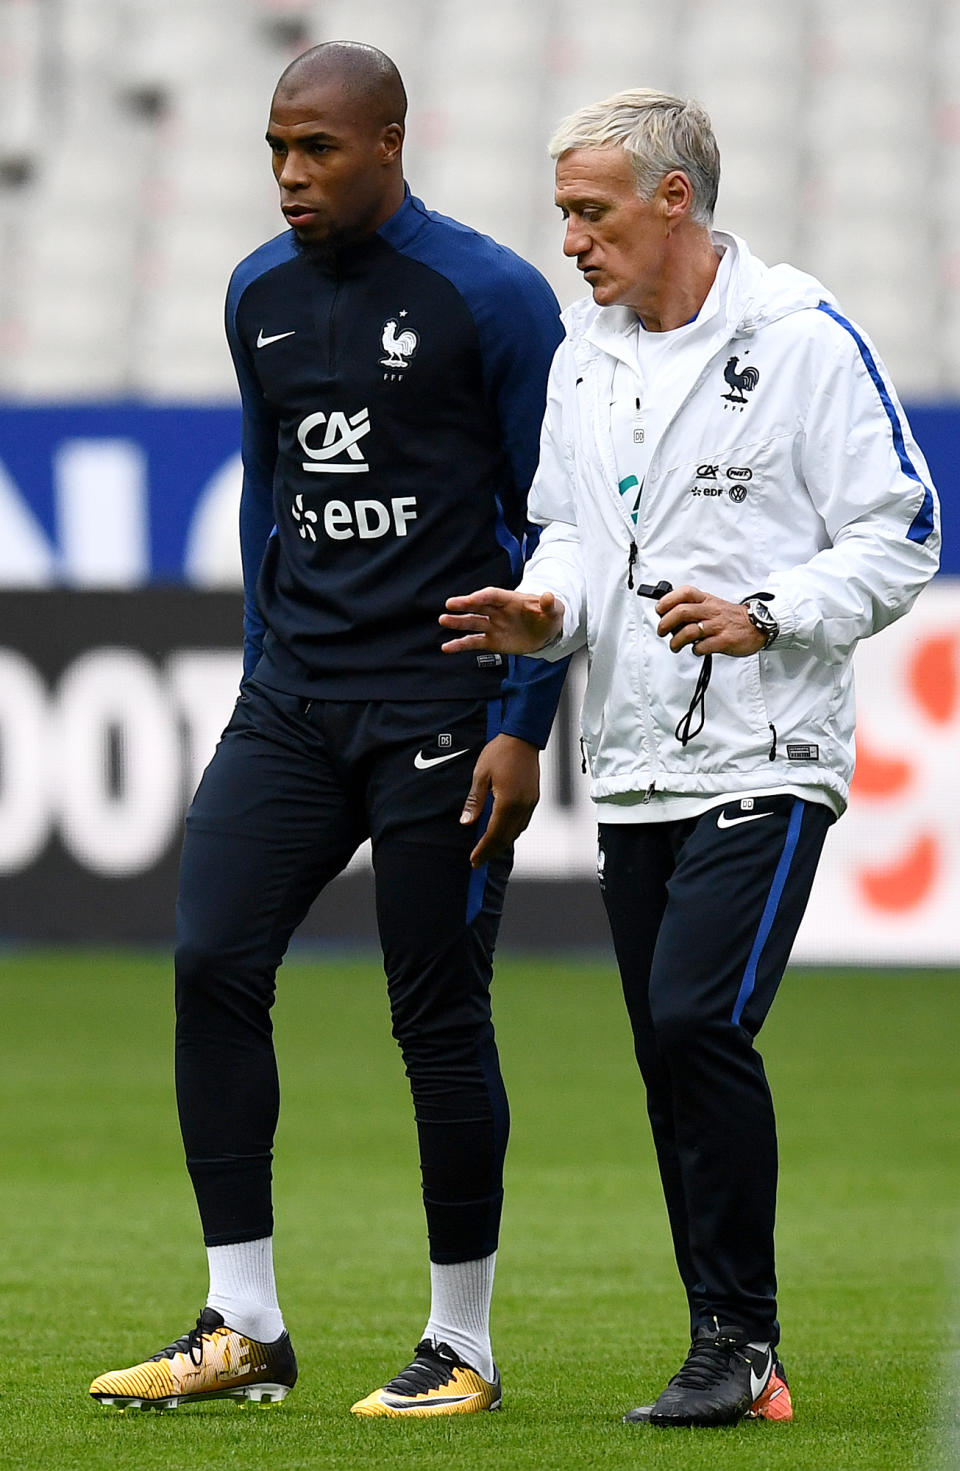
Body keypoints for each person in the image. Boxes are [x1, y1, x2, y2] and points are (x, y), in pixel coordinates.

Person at [440, 88, 940, 1428]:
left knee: (693, 1021)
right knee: (674, 1052)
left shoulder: (802, 338)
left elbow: (901, 532)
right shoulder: (583, 357)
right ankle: (732, 1350)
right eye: (562, 215)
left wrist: (769, 612)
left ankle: (741, 1341)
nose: (572, 243)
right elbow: (563, 536)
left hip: (770, 747)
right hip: (635, 758)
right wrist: (540, 616)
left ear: (674, 200)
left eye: (591, 213)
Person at [89, 42, 566, 1417]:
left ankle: (461, 1344)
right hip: (294, 699)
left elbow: (559, 527)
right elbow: (268, 488)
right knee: (210, 961)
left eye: (319, 151)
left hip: (444, 705)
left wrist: (525, 719)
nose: (293, 176)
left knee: (432, 1013)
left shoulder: (492, 297)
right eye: (276, 151)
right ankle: (244, 1323)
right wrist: (260, 660)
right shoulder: (258, 293)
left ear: (391, 144)